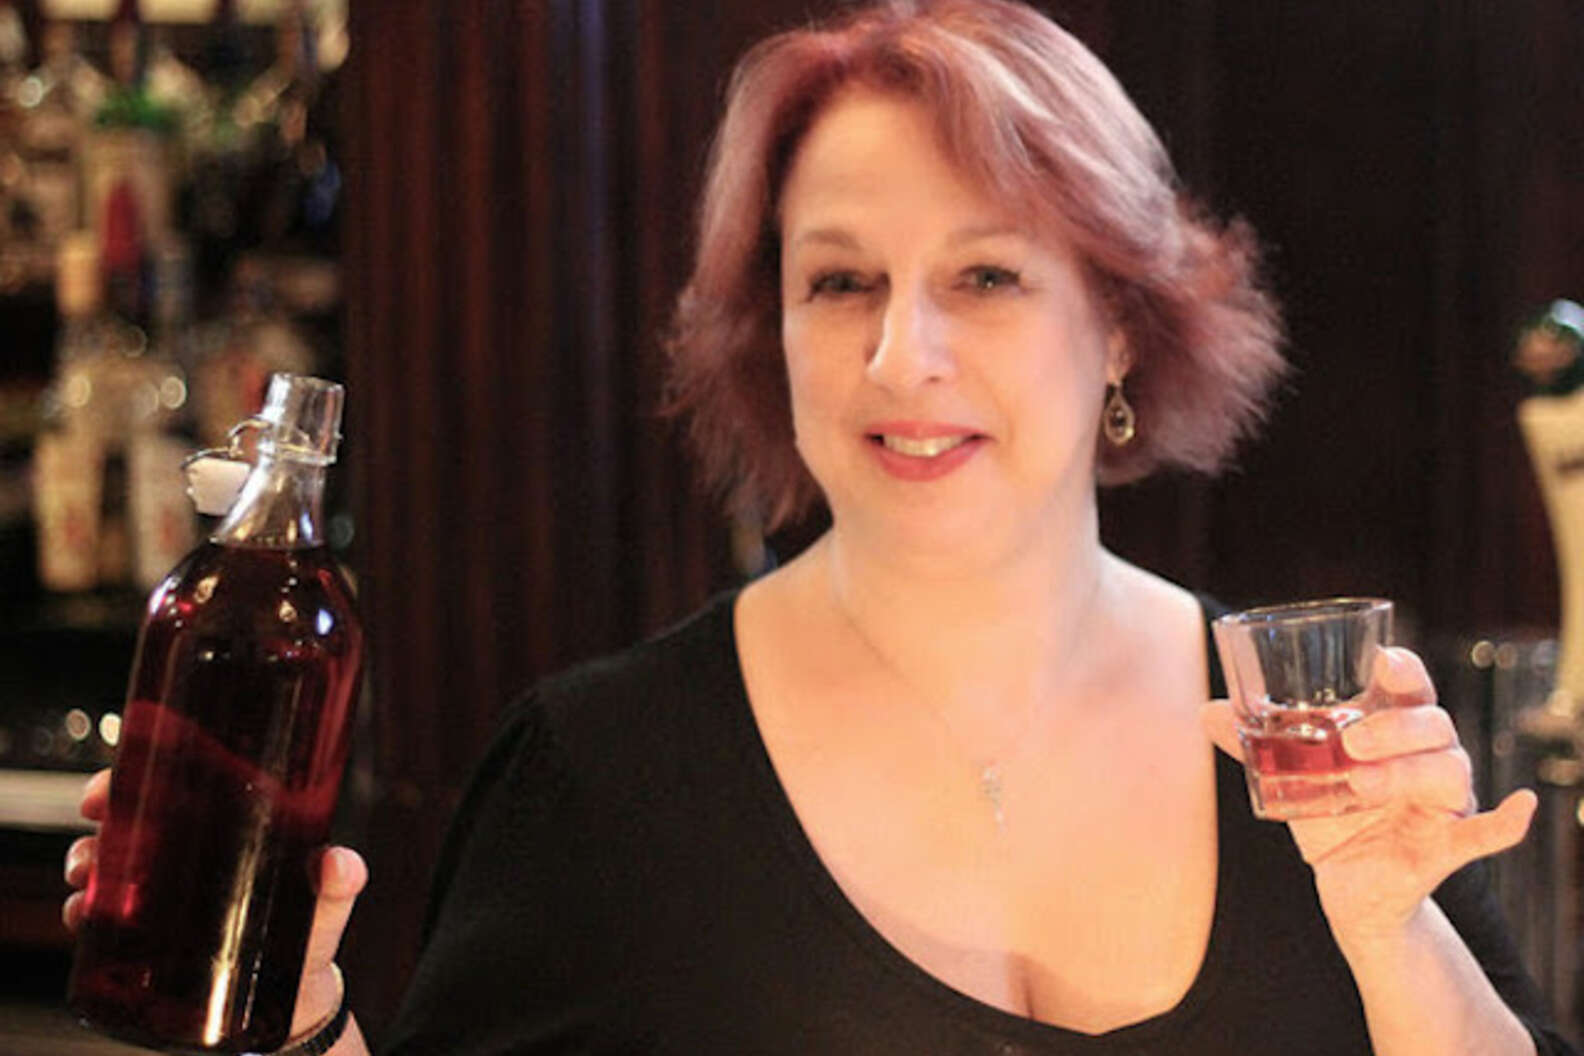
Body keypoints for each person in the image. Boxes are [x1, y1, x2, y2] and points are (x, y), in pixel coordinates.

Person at [63, 1, 1578, 1052]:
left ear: (1119, 323)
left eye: (986, 277)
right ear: (768, 328)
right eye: (840, 281)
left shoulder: (1312, 747)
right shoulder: (601, 772)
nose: (901, 358)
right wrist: (304, 1024)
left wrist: (1392, 930)